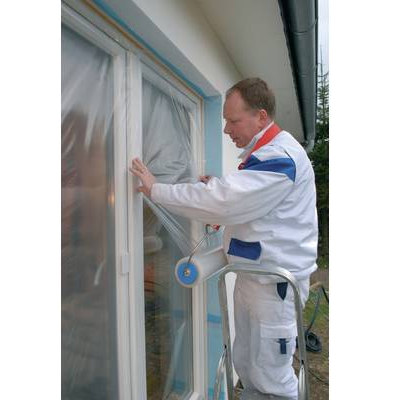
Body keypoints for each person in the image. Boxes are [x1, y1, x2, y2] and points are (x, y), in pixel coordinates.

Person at [130, 77, 318, 399]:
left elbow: (226, 200)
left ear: (261, 117)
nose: (227, 129)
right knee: (248, 364)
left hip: (273, 288)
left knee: (272, 378)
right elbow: (250, 206)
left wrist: (156, 189)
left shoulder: (280, 157)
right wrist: (221, 196)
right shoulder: (263, 157)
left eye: (233, 121)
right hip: (254, 279)